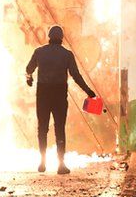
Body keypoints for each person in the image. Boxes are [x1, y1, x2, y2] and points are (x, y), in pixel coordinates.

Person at [25, 25, 96, 174]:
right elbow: (76, 76)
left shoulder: (39, 52)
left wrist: (29, 79)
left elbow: (28, 69)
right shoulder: (67, 55)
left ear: (49, 37)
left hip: (43, 94)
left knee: (42, 128)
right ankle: (61, 164)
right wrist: (88, 91)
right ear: (61, 38)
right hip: (59, 94)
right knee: (59, 128)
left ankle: (42, 162)